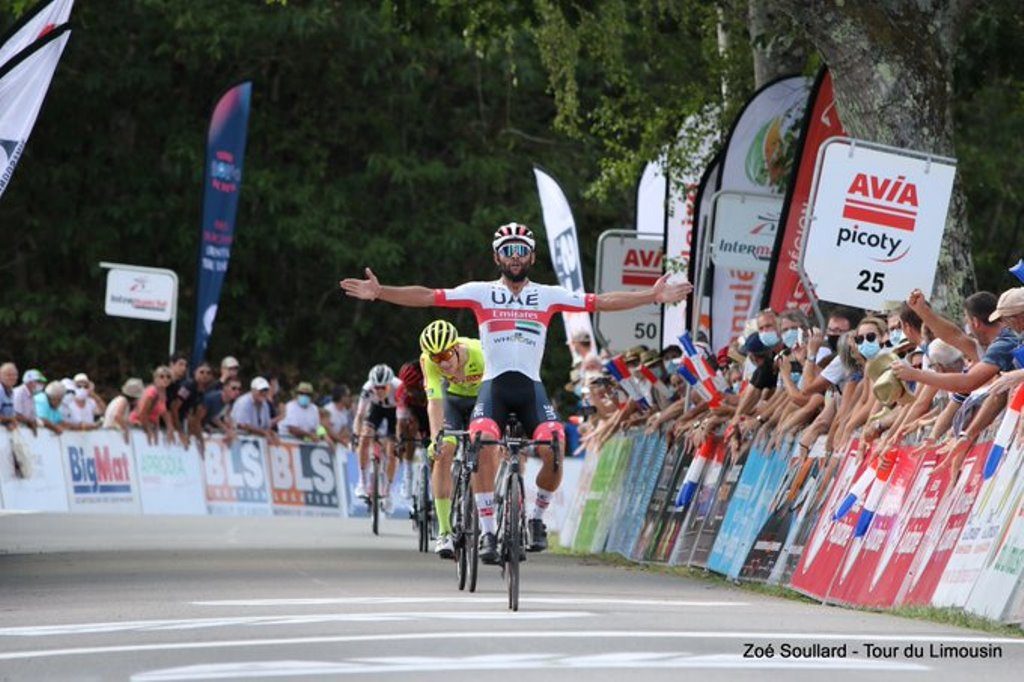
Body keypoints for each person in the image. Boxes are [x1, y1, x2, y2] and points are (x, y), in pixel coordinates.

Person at [340, 222, 691, 563]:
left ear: (532, 257)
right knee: (479, 443)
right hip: (493, 390)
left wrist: (652, 295)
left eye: (521, 251)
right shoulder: (482, 292)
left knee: (554, 445)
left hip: (530, 390)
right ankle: (488, 533)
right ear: (497, 258)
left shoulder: (548, 296)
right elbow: (429, 296)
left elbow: (600, 301)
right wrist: (380, 291)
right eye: (508, 251)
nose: (515, 257)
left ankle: (536, 518)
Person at [419, 319, 486, 558]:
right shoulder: (429, 361)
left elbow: (498, 394)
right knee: (443, 452)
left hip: (482, 400)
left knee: (487, 445)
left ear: (457, 347)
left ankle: (489, 517)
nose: (444, 362)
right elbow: (434, 401)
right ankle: (445, 531)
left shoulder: (481, 353)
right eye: (437, 357)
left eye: (446, 354)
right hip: (452, 402)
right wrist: (436, 439)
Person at [353, 364, 403, 508]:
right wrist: (356, 434)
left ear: (390, 384)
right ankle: (362, 482)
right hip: (376, 410)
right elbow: (360, 415)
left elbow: (404, 415)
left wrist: (399, 437)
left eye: (383, 387)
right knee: (364, 438)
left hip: (395, 413)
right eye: (377, 387)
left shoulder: (399, 387)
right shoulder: (367, 388)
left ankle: (387, 492)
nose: (380, 390)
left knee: (392, 451)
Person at [130, 366, 177, 445]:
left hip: (149, 425)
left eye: (168, 377)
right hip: (138, 425)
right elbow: (143, 413)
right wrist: (148, 430)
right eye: (161, 376)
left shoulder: (163, 393)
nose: (165, 379)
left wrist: (170, 427)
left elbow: (164, 412)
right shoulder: (152, 392)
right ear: (155, 379)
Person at [232, 376, 277, 442]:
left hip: (256, 442)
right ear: (253, 390)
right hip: (239, 440)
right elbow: (242, 425)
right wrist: (263, 432)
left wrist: (272, 433)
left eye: (266, 390)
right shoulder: (244, 402)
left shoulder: (265, 405)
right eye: (261, 391)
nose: (264, 393)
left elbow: (266, 426)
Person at [12, 368, 45, 433]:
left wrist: (37, 422)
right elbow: (15, 414)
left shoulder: (32, 396)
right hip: (15, 430)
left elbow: (33, 416)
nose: (41, 384)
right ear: (29, 381)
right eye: (38, 381)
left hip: (23, 430)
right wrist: (30, 422)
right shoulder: (19, 392)